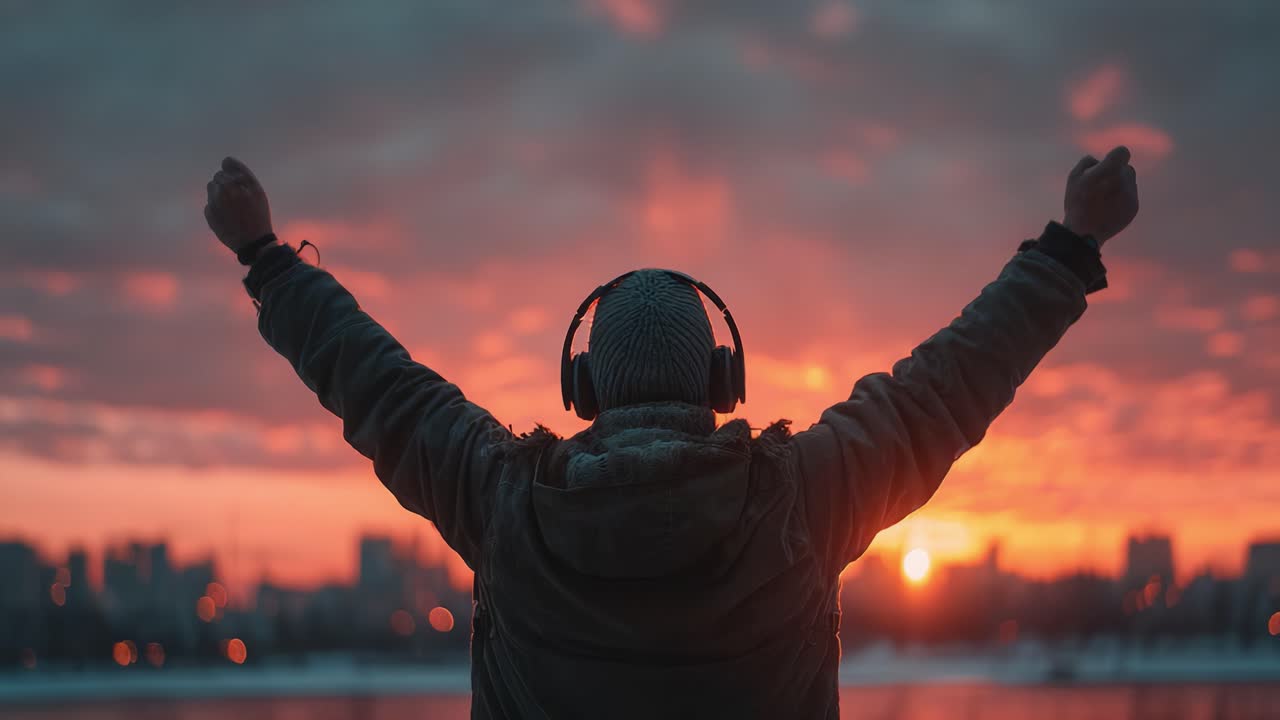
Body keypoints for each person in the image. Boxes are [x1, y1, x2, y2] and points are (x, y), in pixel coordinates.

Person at [203, 145, 1138, 719]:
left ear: (584, 386)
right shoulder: (803, 503)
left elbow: (380, 387)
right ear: (722, 381)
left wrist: (266, 257)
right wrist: (1069, 245)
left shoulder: (501, 503)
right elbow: (948, 386)